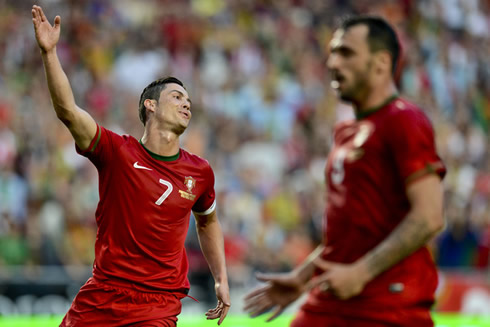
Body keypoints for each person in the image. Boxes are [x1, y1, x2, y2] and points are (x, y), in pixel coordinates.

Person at [31, 5, 230, 327]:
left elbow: (208, 223)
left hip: (157, 304)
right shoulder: (117, 152)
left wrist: (221, 278)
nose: (186, 103)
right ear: (150, 105)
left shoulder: (200, 172)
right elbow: (68, 111)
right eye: (177, 96)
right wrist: (49, 53)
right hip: (103, 295)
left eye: (189, 101)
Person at [244, 16, 446, 327]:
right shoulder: (347, 132)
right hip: (333, 297)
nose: (332, 62)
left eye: (346, 53)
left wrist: (361, 272)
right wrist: (301, 277)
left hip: (388, 304)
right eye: (332, 53)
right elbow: (351, 231)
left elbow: (429, 216)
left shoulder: (404, 121)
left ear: (381, 62)